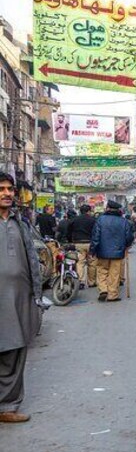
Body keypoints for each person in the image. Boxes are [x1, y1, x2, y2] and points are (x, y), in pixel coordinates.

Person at [0, 172, 43, 423]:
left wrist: (36, 293)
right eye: (1, 189)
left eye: (9, 189)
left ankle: (7, 406)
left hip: (19, 298)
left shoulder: (20, 222)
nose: (6, 193)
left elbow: (32, 258)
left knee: (16, 349)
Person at [91, 200, 134, 302]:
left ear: (108, 209)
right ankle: (112, 295)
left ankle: (103, 290)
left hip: (102, 251)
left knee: (102, 271)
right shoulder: (123, 221)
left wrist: (93, 250)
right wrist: (127, 246)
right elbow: (129, 237)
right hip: (118, 252)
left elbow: (95, 236)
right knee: (114, 273)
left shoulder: (100, 220)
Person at [68, 204, 97, 288]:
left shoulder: (74, 220)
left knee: (80, 263)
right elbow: (96, 232)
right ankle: (91, 282)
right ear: (89, 211)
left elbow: (69, 231)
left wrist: (70, 240)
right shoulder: (93, 220)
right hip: (90, 243)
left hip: (78, 243)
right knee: (92, 263)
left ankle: (80, 282)